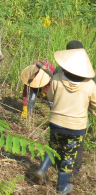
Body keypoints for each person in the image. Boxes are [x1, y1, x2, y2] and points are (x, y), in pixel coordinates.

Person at [34, 47, 96, 194]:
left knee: (52, 147)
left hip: (57, 123)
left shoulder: (57, 78)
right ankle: (62, 187)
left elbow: (50, 97)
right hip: (76, 128)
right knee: (69, 156)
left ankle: (41, 170)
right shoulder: (90, 85)